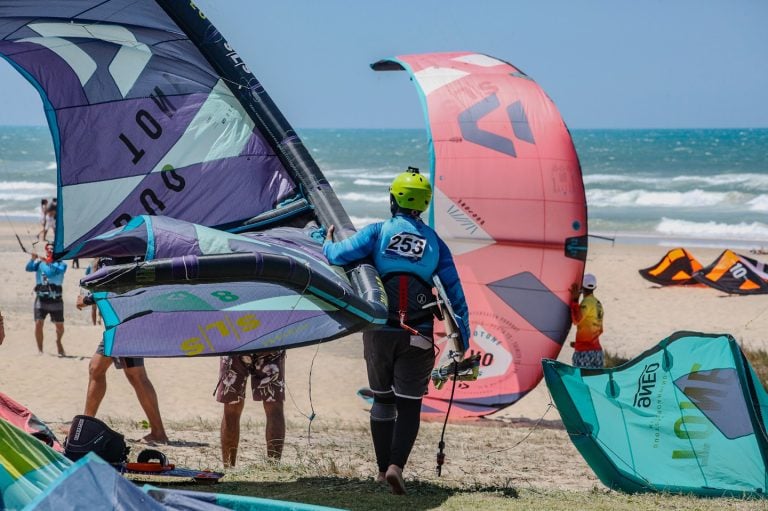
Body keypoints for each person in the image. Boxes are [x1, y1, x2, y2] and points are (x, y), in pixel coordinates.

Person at [322, 167, 470, 495]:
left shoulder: (378, 232)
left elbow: (337, 255)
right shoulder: (435, 244)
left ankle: (379, 469)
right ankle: (396, 466)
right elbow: (456, 295)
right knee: (410, 404)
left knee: (383, 400)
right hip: (418, 334)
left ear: (393, 198)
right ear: (424, 203)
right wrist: (465, 338)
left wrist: (325, 240)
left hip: (379, 332)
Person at [76, 256, 168, 445]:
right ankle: (86, 423)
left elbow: (116, 282)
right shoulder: (115, 250)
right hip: (121, 322)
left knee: (135, 375)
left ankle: (159, 432)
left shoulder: (116, 251)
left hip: (125, 322)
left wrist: (87, 299)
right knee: (99, 369)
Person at [216, 351, 286, 467]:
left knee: (232, 408)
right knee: (274, 407)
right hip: (270, 342)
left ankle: (229, 468)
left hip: (237, 343)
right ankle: (273, 467)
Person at [25, 242, 66, 356]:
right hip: (41, 299)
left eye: (52, 249)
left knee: (60, 326)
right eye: (48, 249)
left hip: (56, 300)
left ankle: (58, 341)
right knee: (38, 323)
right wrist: (33, 260)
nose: (50, 251)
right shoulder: (39, 264)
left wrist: (47, 262)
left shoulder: (61, 264)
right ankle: (40, 350)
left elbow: (53, 272)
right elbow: (28, 268)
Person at [569, 273, 605, 368]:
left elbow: (576, 320)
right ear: (595, 287)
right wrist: (579, 343)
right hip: (597, 353)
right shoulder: (598, 304)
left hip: (584, 353)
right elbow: (600, 330)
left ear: (582, 287)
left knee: (582, 381)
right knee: (596, 382)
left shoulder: (587, 302)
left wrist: (575, 300)